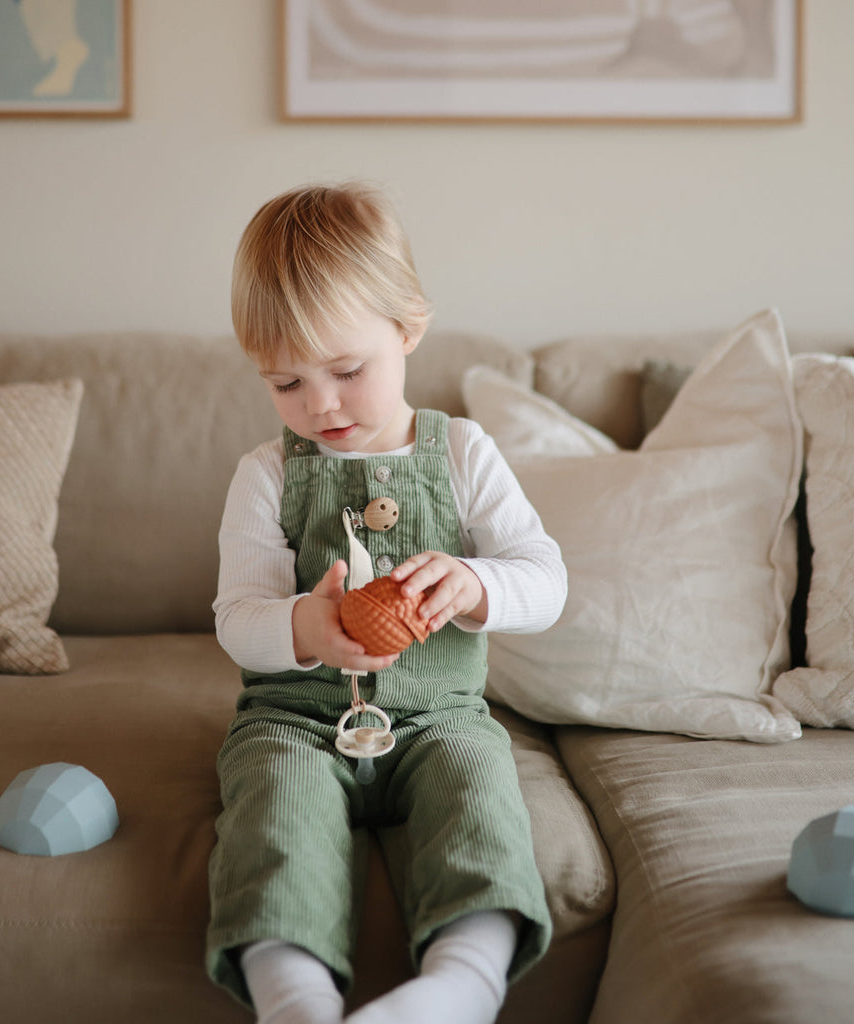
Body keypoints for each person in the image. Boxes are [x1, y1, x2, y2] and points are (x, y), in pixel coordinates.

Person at [206, 182, 567, 1024]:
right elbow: (237, 617)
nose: (319, 404)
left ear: (407, 329)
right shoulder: (267, 474)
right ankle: (294, 998)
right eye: (286, 382)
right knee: (274, 821)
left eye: (346, 371)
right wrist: (303, 625)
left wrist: (477, 584)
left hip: (441, 717)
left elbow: (546, 579)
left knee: (480, 806)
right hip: (295, 719)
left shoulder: (463, 453)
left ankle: (460, 986)